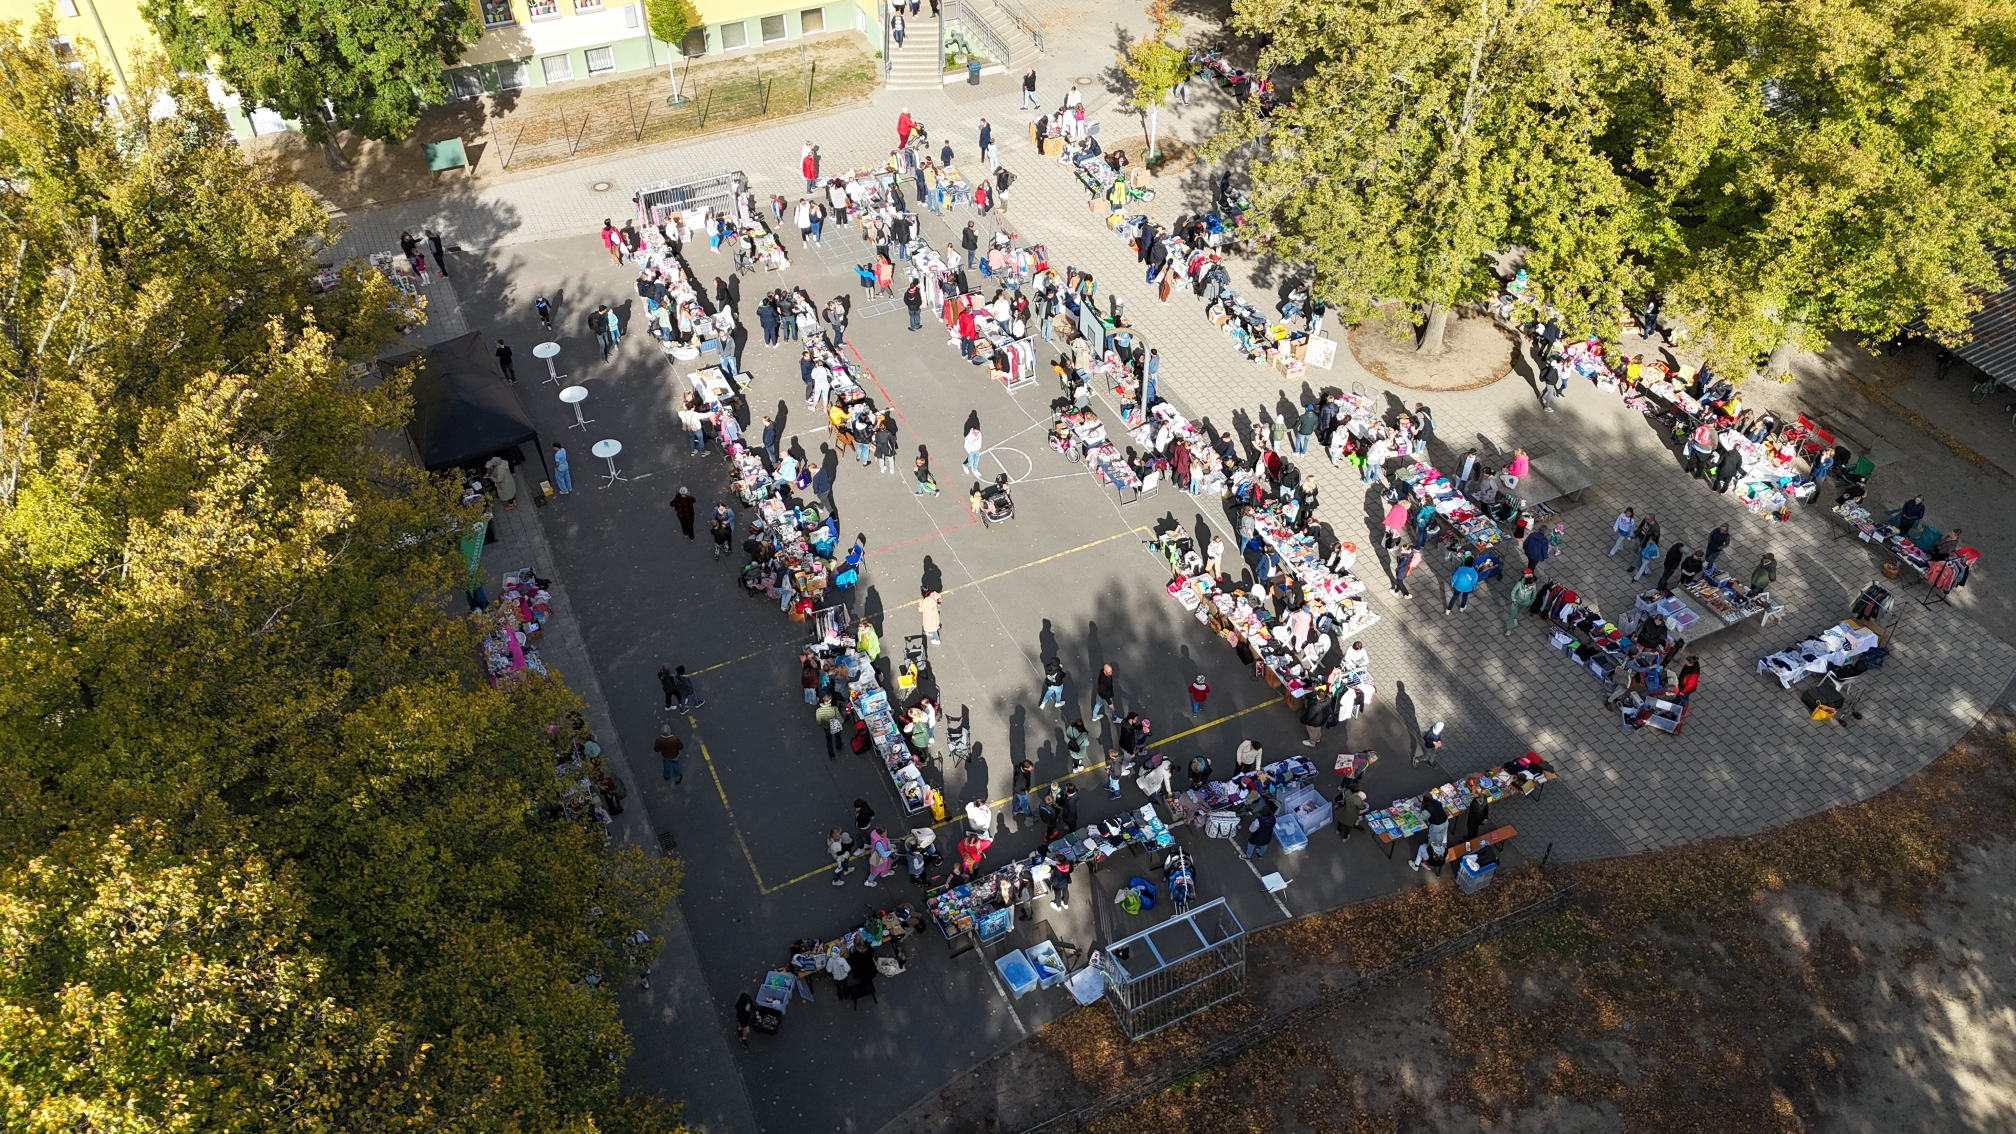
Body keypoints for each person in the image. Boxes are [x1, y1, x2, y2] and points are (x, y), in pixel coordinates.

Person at [1409, 794, 1449, 871]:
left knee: (1422, 846)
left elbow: (1421, 817)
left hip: (1436, 826)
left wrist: (1414, 810)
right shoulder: (1436, 802)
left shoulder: (1430, 849)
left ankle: (1416, 865)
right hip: (1445, 822)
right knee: (1444, 836)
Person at [1506, 569, 1537, 636]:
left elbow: (1534, 594)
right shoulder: (1520, 584)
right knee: (1511, 615)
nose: (1534, 585)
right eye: (1532, 584)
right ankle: (1508, 629)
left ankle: (1515, 618)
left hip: (1525, 603)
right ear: (1528, 584)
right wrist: (1513, 599)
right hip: (1516, 602)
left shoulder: (1533, 585)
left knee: (1519, 612)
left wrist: (1530, 602)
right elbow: (1513, 592)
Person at [815, 693, 845, 758]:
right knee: (838, 737)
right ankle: (838, 748)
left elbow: (818, 721)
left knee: (829, 740)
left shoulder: (818, 711)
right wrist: (842, 722)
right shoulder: (834, 709)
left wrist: (823, 724)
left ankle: (831, 755)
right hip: (835, 726)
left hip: (826, 727)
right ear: (829, 701)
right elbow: (839, 717)